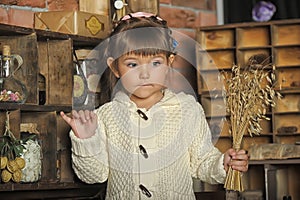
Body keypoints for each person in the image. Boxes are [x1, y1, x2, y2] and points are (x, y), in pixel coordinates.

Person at [60, 12, 249, 200]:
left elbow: (202, 162)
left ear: (169, 62)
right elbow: (93, 176)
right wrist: (86, 140)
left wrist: (223, 164)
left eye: (156, 63)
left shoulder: (187, 109)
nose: (145, 74)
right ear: (115, 67)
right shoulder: (105, 116)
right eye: (133, 65)